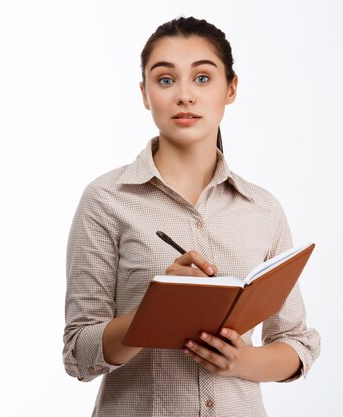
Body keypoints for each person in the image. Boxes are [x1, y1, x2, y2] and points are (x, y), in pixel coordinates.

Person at [63, 16, 321, 417]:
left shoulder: (262, 209)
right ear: (145, 94)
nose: (184, 95)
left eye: (202, 78)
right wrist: (156, 309)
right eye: (165, 80)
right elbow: (79, 353)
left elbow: (296, 342)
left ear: (230, 89)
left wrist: (241, 362)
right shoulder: (105, 200)